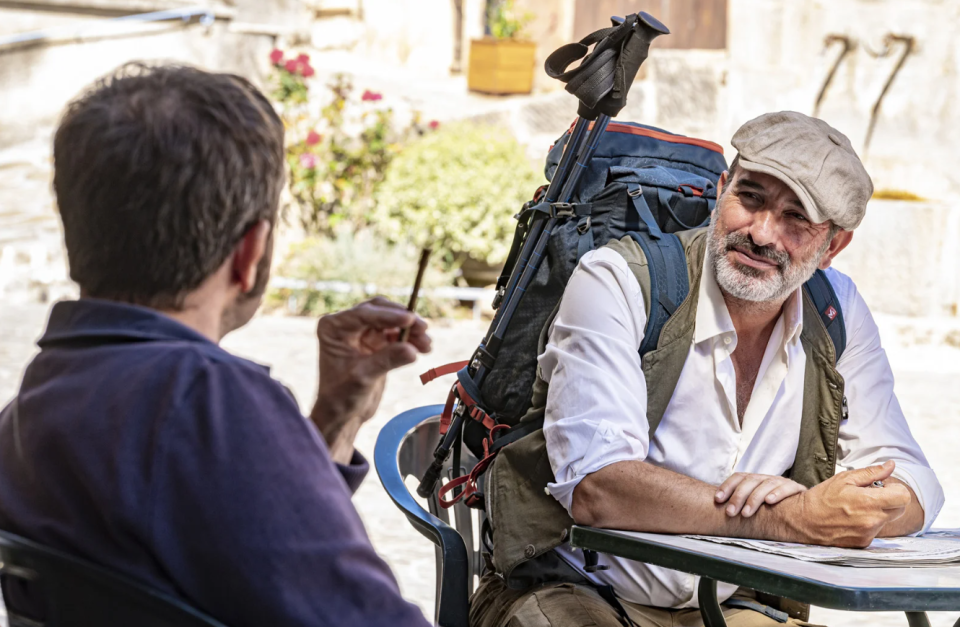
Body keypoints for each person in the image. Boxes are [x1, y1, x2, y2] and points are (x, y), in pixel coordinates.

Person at [470, 112, 945, 627]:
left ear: (833, 245)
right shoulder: (619, 280)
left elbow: (913, 477)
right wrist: (792, 518)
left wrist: (866, 509)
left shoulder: (837, 310)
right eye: (752, 198)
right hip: (579, 589)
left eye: (795, 219)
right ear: (723, 189)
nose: (762, 233)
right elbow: (598, 486)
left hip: (726, 606)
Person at [0, 64, 434, 627]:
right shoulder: (204, 404)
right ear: (251, 251)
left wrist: (334, 417)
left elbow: (250, 545)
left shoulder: (38, 402)